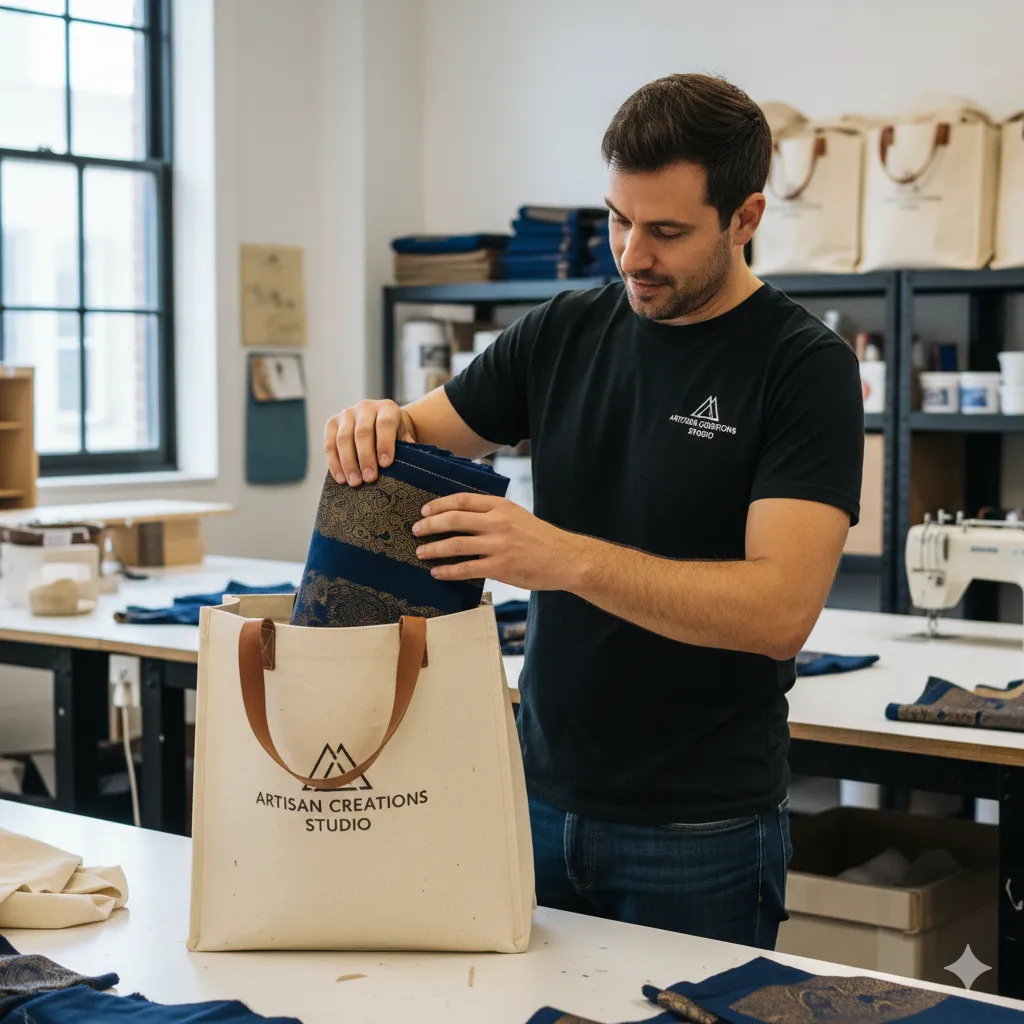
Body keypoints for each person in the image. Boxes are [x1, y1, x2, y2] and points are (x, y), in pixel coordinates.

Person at [323, 73, 863, 950]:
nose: (630, 255)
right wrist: (372, 421)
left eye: (667, 231)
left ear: (747, 217)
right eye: (617, 217)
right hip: (534, 797)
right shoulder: (561, 331)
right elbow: (414, 438)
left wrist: (562, 558)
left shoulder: (805, 368)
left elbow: (780, 612)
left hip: (699, 829)